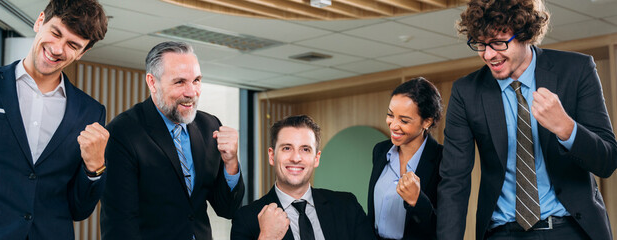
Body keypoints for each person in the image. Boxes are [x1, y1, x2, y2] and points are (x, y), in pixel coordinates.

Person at [437, 0, 617, 239]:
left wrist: (567, 128)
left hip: (570, 229)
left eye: (498, 43)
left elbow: (607, 161)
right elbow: (454, 182)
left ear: (525, 33)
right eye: (480, 45)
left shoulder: (576, 70)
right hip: (503, 232)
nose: (489, 55)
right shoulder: (466, 92)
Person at [0, 0, 110, 239]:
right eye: (55, 33)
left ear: (82, 53)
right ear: (40, 21)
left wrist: (95, 168)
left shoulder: (90, 112)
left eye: (72, 45)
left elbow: (79, 209)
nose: (57, 49)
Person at [99, 41, 245, 240]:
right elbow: (120, 221)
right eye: (180, 82)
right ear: (152, 82)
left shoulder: (209, 126)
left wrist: (231, 163)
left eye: (196, 80)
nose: (191, 92)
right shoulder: (123, 131)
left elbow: (227, 208)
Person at [231, 115, 376, 240]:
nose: (296, 158)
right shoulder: (246, 219)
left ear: (316, 158)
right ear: (271, 156)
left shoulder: (347, 206)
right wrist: (267, 237)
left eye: (305, 149)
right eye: (287, 148)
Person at [367, 77, 443, 240]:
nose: (393, 125)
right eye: (390, 115)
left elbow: (447, 229)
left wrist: (418, 200)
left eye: (404, 120)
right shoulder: (380, 151)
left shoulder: (443, 160)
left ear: (427, 122)